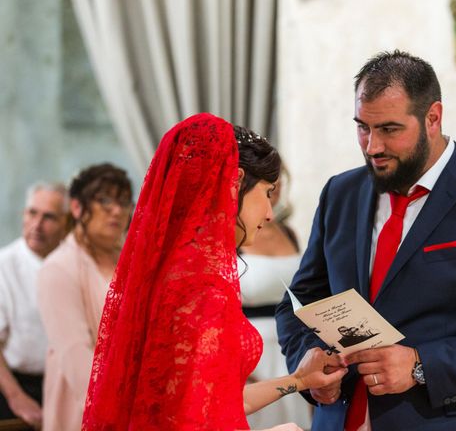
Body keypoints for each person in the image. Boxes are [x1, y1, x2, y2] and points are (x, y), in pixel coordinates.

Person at [275, 50, 456, 430]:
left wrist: (421, 364)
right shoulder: (340, 192)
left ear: (433, 118)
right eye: (362, 126)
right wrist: (306, 365)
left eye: (389, 129)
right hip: (337, 420)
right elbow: (299, 302)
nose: (372, 146)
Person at [82, 114, 347, 431]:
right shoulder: (203, 288)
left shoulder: (176, 272)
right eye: (266, 192)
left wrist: (299, 379)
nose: (268, 212)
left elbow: (220, 400)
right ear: (234, 184)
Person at [37, 164, 132, 431]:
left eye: (124, 202)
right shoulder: (58, 268)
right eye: (104, 200)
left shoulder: (130, 263)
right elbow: (76, 357)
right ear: (77, 207)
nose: (117, 210)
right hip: (88, 408)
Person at [240, 169, 313, 430]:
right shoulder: (235, 234)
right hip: (251, 345)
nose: (277, 185)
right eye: (268, 182)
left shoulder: (289, 233)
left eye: (279, 177)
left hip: (292, 340)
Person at [0, 182, 68, 427]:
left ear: (67, 223)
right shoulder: (3, 266)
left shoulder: (74, 265)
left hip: (66, 387)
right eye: (32, 213)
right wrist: (17, 398)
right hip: (15, 386)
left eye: (49, 217)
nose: (37, 225)